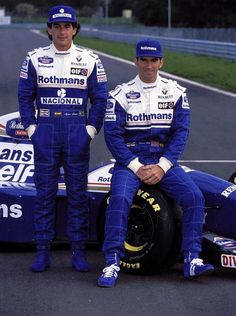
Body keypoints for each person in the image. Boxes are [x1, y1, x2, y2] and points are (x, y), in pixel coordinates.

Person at [98, 39, 214, 287]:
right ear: (136, 61)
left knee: (194, 197)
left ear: (161, 61)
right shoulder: (119, 95)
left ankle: (192, 258)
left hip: (163, 160)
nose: (148, 65)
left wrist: (162, 166)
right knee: (118, 199)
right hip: (130, 160)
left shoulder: (176, 92)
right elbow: (113, 136)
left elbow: (180, 133)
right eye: (143, 60)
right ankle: (112, 262)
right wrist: (136, 166)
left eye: (153, 60)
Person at [18, 5, 108, 272]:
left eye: (67, 26)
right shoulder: (33, 58)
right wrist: (32, 129)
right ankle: (42, 250)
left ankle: (78, 251)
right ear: (49, 29)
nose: (61, 31)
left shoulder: (90, 59)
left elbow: (100, 98)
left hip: (76, 129)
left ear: (75, 29)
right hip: (45, 128)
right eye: (56, 26)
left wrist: (90, 130)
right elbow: (25, 97)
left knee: (77, 194)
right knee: (44, 193)